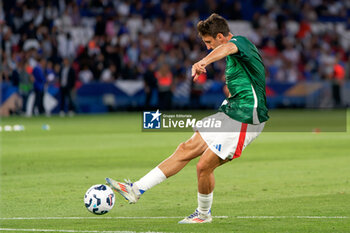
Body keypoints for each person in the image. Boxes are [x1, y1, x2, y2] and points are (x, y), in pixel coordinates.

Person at [106, 13, 269, 224]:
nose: (208, 47)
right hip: (231, 111)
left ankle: (203, 215)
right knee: (185, 148)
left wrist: (203, 62)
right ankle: (135, 189)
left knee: (203, 167)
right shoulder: (233, 57)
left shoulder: (240, 42)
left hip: (247, 117)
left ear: (221, 36)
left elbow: (227, 48)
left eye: (209, 42)